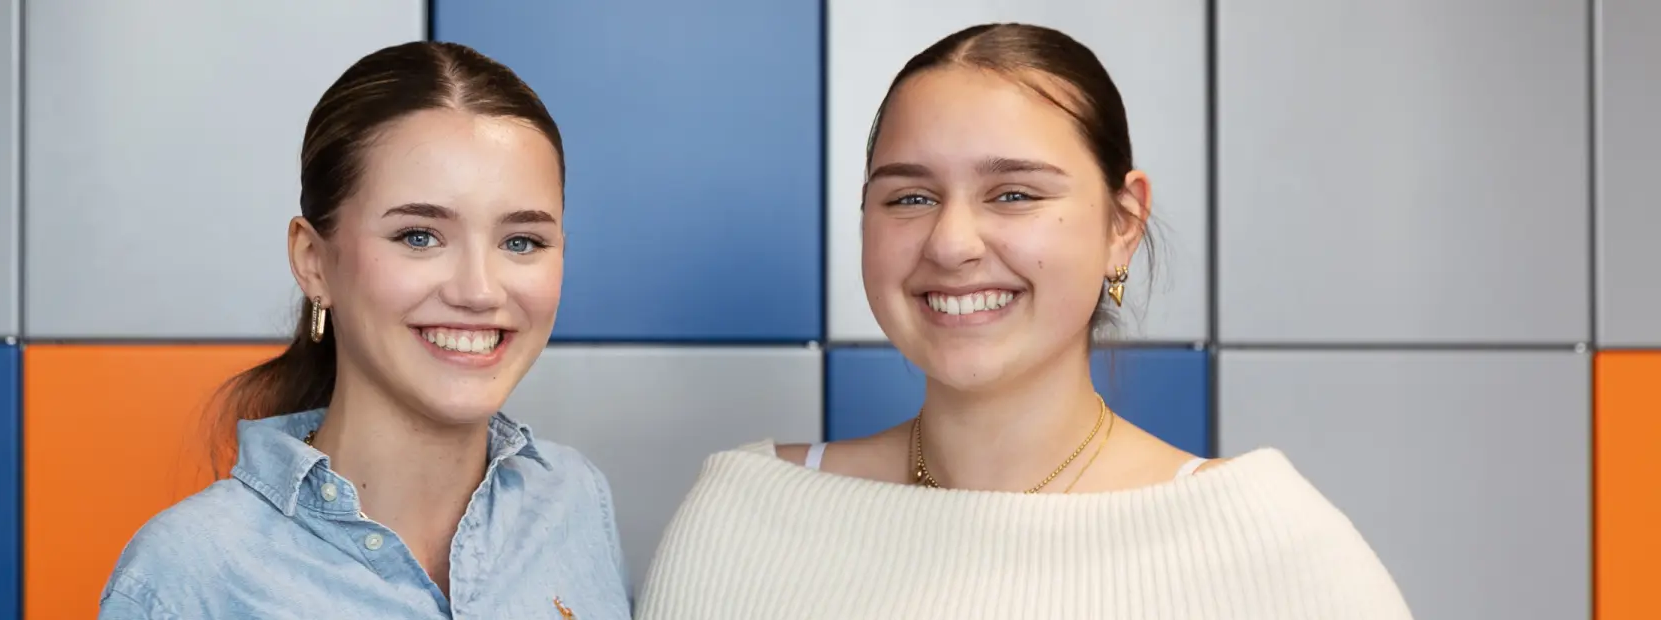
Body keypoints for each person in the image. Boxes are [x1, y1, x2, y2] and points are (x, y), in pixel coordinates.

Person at [633, 23, 1411, 618]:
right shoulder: (744, 512)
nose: (951, 242)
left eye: (1015, 194)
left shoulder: (1267, 541)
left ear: (1123, 220)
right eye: (909, 196)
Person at [98, 41, 630, 619]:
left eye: (520, 242)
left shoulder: (574, 500)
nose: (479, 291)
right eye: (419, 236)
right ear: (313, 260)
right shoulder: (185, 577)